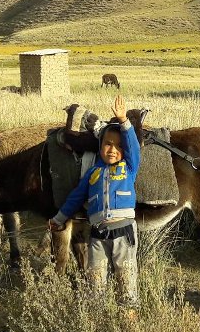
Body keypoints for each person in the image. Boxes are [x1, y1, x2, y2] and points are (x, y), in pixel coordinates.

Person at [49, 94, 142, 309]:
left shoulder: (129, 168)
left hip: (124, 232)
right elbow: (75, 198)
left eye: (118, 146)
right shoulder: (93, 173)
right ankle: (97, 322)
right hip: (98, 234)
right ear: (100, 147)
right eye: (108, 144)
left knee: (126, 281)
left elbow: (133, 149)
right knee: (95, 282)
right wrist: (59, 218)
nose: (112, 149)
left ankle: (129, 324)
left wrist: (123, 122)